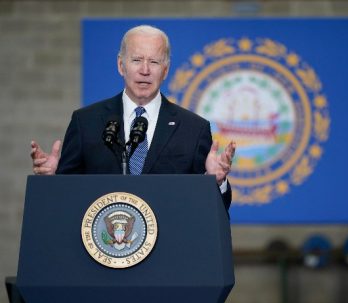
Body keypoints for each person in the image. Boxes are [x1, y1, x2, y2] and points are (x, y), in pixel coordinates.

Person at [31, 25, 235, 209]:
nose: (144, 70)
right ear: (121, 65)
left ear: (165, 70)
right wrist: (51, 180)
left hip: (171, 246)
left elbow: (215, 208)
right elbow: (66, 198)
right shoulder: (86, 122)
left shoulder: (193, 129)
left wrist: (216, 182)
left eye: (154, 62)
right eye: (136, 60)